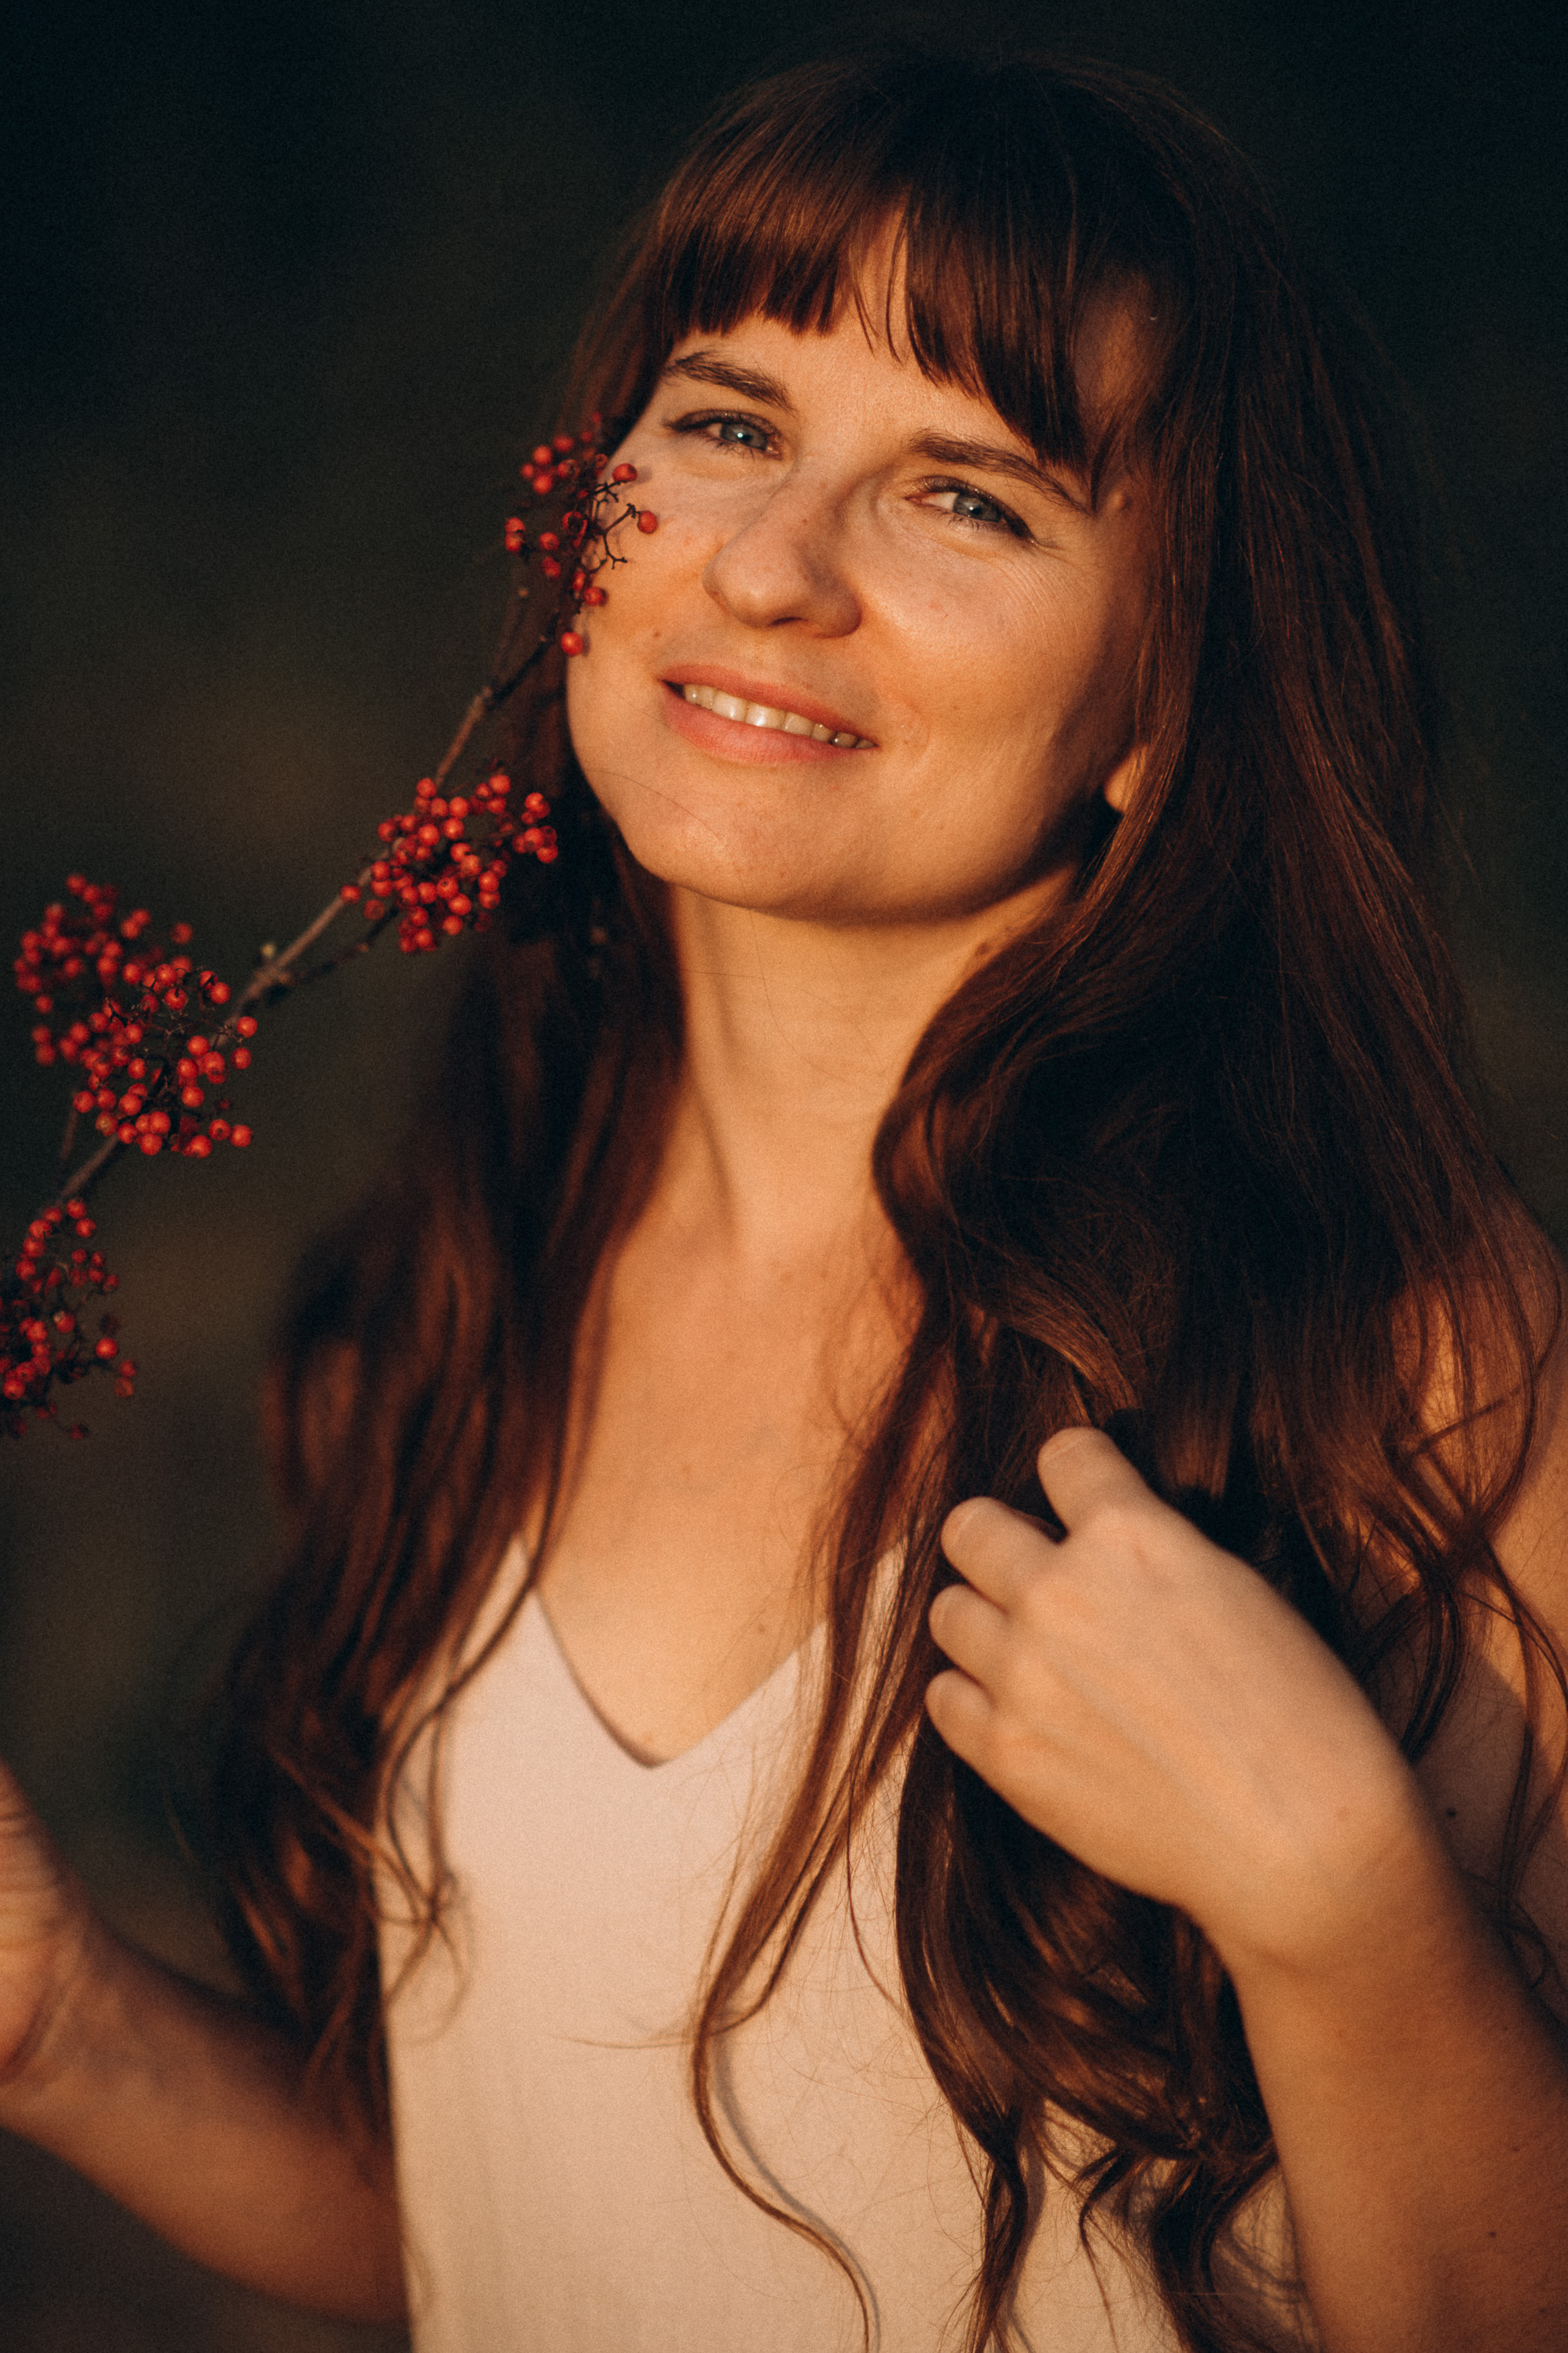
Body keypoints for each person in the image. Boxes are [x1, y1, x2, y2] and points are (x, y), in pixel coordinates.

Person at [1, 47, 1565, 2353]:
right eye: (727, 422)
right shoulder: (440, 1307)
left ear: (1167, 691)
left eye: (972, 498)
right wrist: (59, 2022)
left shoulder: (1399, 1357)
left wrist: (1345, 1908)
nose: (767, 568)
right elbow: (536, 2209)